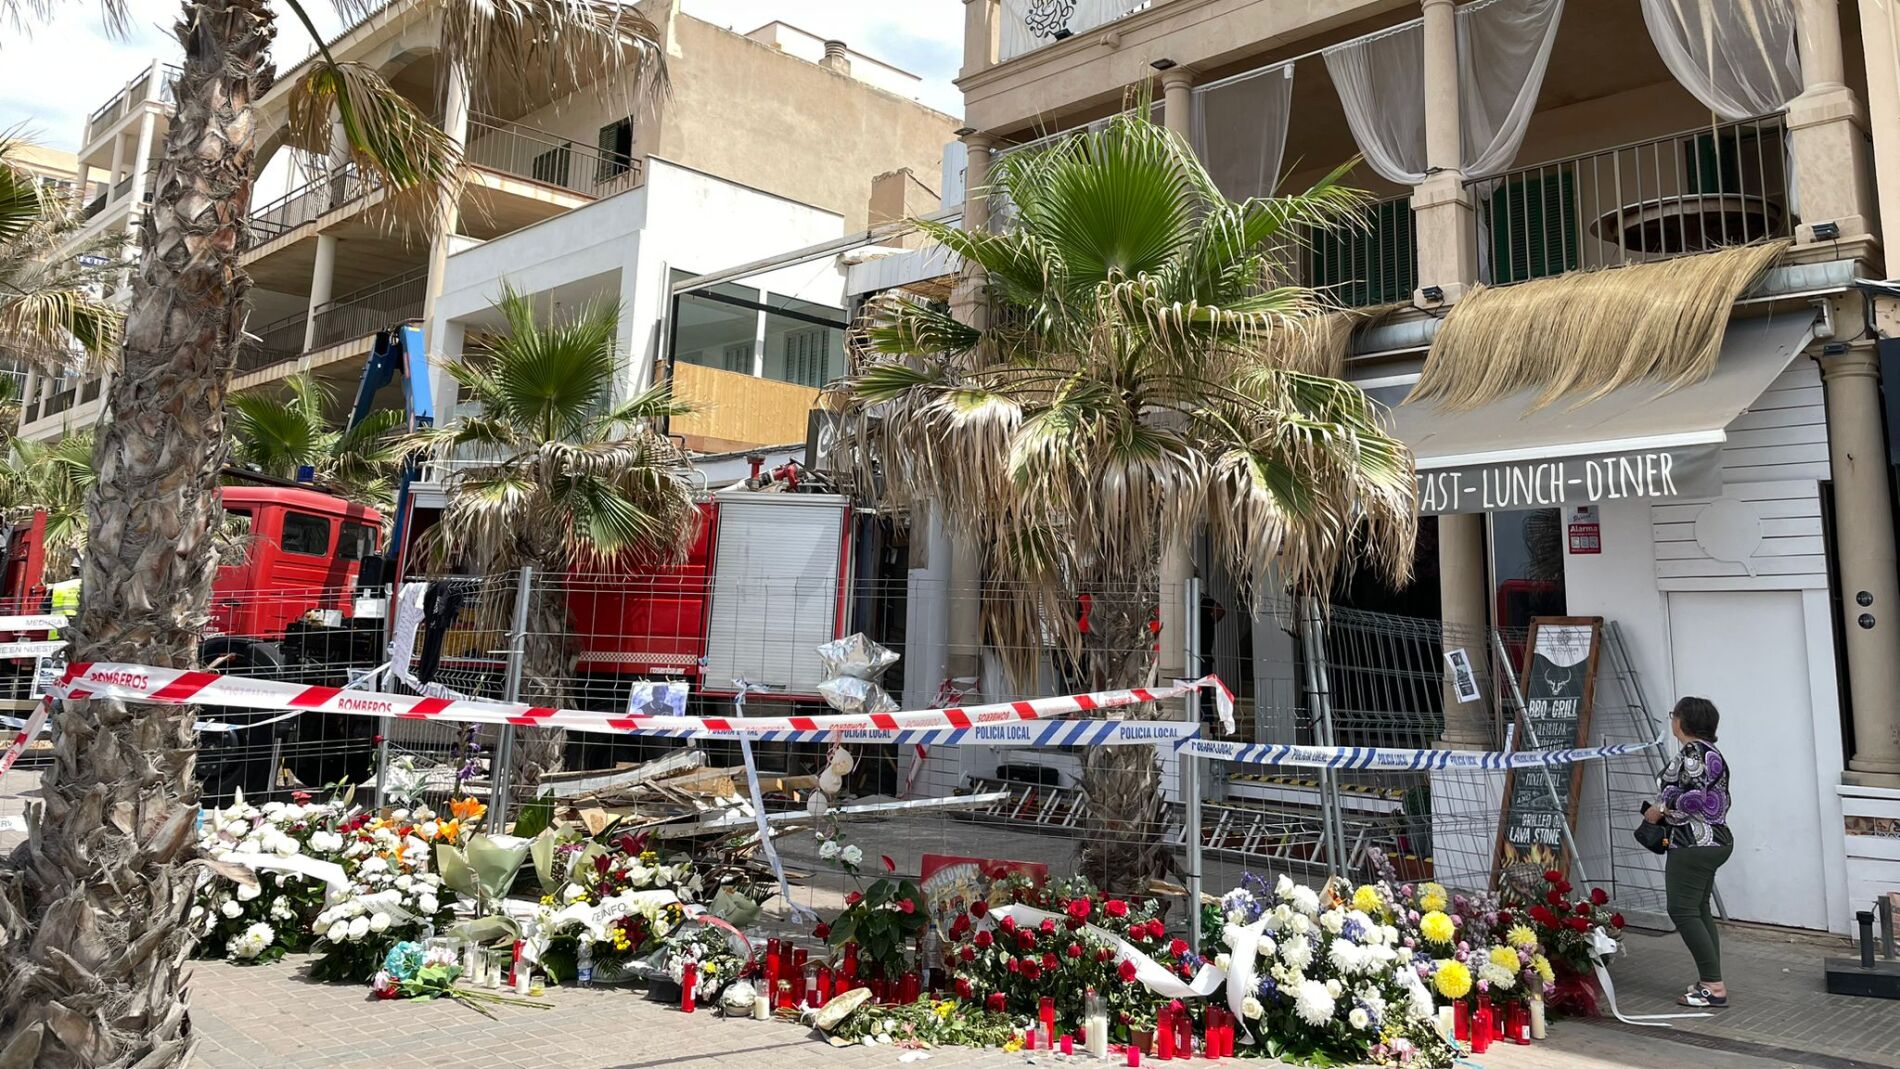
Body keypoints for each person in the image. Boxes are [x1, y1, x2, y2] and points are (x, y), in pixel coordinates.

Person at [1645, 696, 1733, 1008]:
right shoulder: (1709, 751)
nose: (1672, 721)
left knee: (1682, 910)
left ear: (1682, 721)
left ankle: (1713, 986)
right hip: (1713, 840)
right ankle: (1711, 978)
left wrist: (1660, 808)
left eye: (1674, 715)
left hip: (1693, 842)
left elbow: (1695, 798)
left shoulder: (1694, 752)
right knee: (1698, 908)